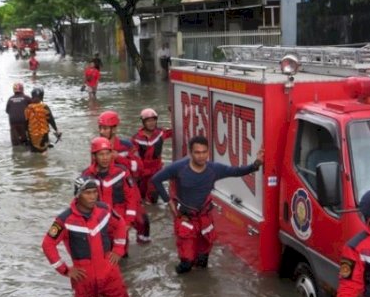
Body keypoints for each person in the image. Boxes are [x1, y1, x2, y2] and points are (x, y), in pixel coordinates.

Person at [151, 135, 264, 274]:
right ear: (191, 153)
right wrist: (169, 202)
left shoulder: (214, 169)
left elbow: (237, 171)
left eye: (204, 152)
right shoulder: (179, 168)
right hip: (186, 219)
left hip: (205, 219)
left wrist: (256, 164)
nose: (201, 156)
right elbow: (156, 179)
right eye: (197, 152)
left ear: (208, 152)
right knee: (186, 264)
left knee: (203, 261)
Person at [42, 176, 132, 297]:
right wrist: (65, 270)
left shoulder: (104, 210)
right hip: (84, 276)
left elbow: (120, 224)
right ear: (78, 195)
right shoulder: (64, 220)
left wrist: (118, 249)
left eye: (94, 192)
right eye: (87, 193)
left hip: (109, 270)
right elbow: (48, 244)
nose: (92, 197)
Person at [80, 137, 140, 257]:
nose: (105, 158)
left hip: (119, 221)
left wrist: (128, 223)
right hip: (97, 223)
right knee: (101, 256)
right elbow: (81, 202)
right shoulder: (86, 175)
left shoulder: (122, 172)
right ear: (94, 156)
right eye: (101, 154)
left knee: (122, 255)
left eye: (108, 153)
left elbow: (131, 199)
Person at [98, 110, 151, 244]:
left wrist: (119, 159)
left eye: (105, 128)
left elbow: (139, 168)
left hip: (130, 189)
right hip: (110, 195)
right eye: (100, 128)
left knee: (143, 222)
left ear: (114, 129)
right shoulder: (97, 147)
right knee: (118, 235)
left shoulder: (127, 146)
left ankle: (143, 248)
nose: (102, 131)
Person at [131, 108, 173, 203]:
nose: (152, 123)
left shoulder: (160, 133)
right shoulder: (136, 139)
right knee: (140, 198)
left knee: (153, 197)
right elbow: (132, 158)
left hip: (156, 171)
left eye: (153, 120)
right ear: (143, 122)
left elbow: (174, 131)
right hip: (142, 173)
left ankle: (155, 214)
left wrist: (172, 114)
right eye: (148, 121)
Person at [24, 87, 61, 154]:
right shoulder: (44, 107)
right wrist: (56, 130)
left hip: (32, 135)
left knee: (33, 152)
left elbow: (25, 123)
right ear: (41, 97)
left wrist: (26, 135)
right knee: (44, 151)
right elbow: (51, 120)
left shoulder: (28, 108)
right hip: (43, 134)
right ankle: (44, 163)